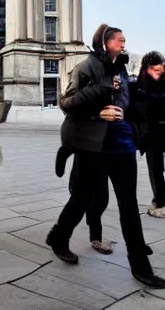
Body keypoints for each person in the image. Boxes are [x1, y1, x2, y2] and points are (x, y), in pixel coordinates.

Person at [46, 24, 165, 288]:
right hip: (93, 146)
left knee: (129, 205)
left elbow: (127, 101)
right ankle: (59, 236)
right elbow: (66, 103)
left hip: (121, 145)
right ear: (105, 42)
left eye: (124, 40)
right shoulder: (86, 67)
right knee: (81, 199)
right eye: (119, 40)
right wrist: (97, 107)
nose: (123, 44)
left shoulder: (121, 67)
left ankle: (140, 266)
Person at [131, 51, 165, 218]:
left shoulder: (145, 84)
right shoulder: (141, 84)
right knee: (155, 168)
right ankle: (160, 201)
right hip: (151, 132)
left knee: (157, 168)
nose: (159, 72)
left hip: (158, 130)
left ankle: (161, 201)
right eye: (155, 70)